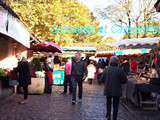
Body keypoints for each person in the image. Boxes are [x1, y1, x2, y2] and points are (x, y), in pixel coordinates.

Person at [101, 56, 128, 120]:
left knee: (108, 103)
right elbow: (125, 80)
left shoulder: (106, 69)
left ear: (110, 62)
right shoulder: (120, 70)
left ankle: (108, 115)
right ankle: (114, 117)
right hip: (117, 90)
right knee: (116, 105)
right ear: (117, 62)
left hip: (108, 89)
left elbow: (101, 80)